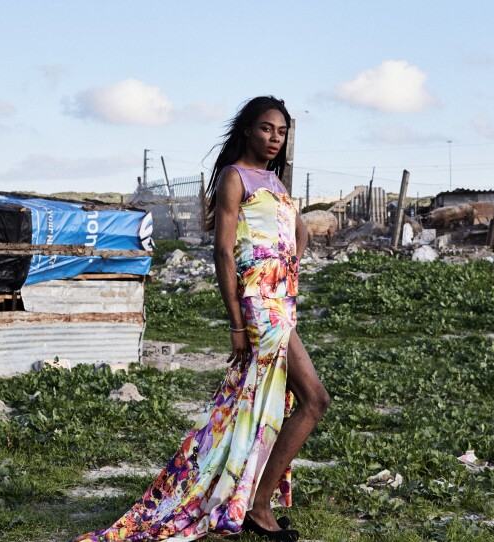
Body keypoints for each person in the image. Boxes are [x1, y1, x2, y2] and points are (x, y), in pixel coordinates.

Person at [74, 96, 330, 542]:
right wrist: (237, 322)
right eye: (267, 128)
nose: (275, 138)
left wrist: (287, 266)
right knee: (314, 399)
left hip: (281, 300)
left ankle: (249, 496)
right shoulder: (235, 178)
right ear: (248, 129)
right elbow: (223, 251)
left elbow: (298, 232)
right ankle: (259, 506)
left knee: (256, 404)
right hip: (259, 306)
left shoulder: (275, 180)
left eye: (282, 131)